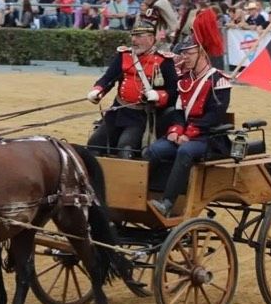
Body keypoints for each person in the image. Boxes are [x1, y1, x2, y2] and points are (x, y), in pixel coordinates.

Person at [147, 34, 232, 217]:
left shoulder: (219, 81)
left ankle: (168, 202)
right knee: (154, 150)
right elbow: (179, 112)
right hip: (185, 133)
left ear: (201, 53)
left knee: (185, 151)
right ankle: (144, 194)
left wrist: (189, 134)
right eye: (183, 53)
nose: (184, 57)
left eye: (189, 53)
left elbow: (215, 116)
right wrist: (176, 130)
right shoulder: (184, 80)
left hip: (207, 137)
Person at [86, 11, 179, 159]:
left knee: (126, 148)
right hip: (117, 111)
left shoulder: (163, 61)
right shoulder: (124, 55)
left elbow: (174, 90)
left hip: (141, 116)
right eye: (133, 36)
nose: (134, 40)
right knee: (94, 144)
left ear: (151, 38)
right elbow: (108, 78)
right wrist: (98, 90)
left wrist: (158, 96)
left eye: (138, 36)